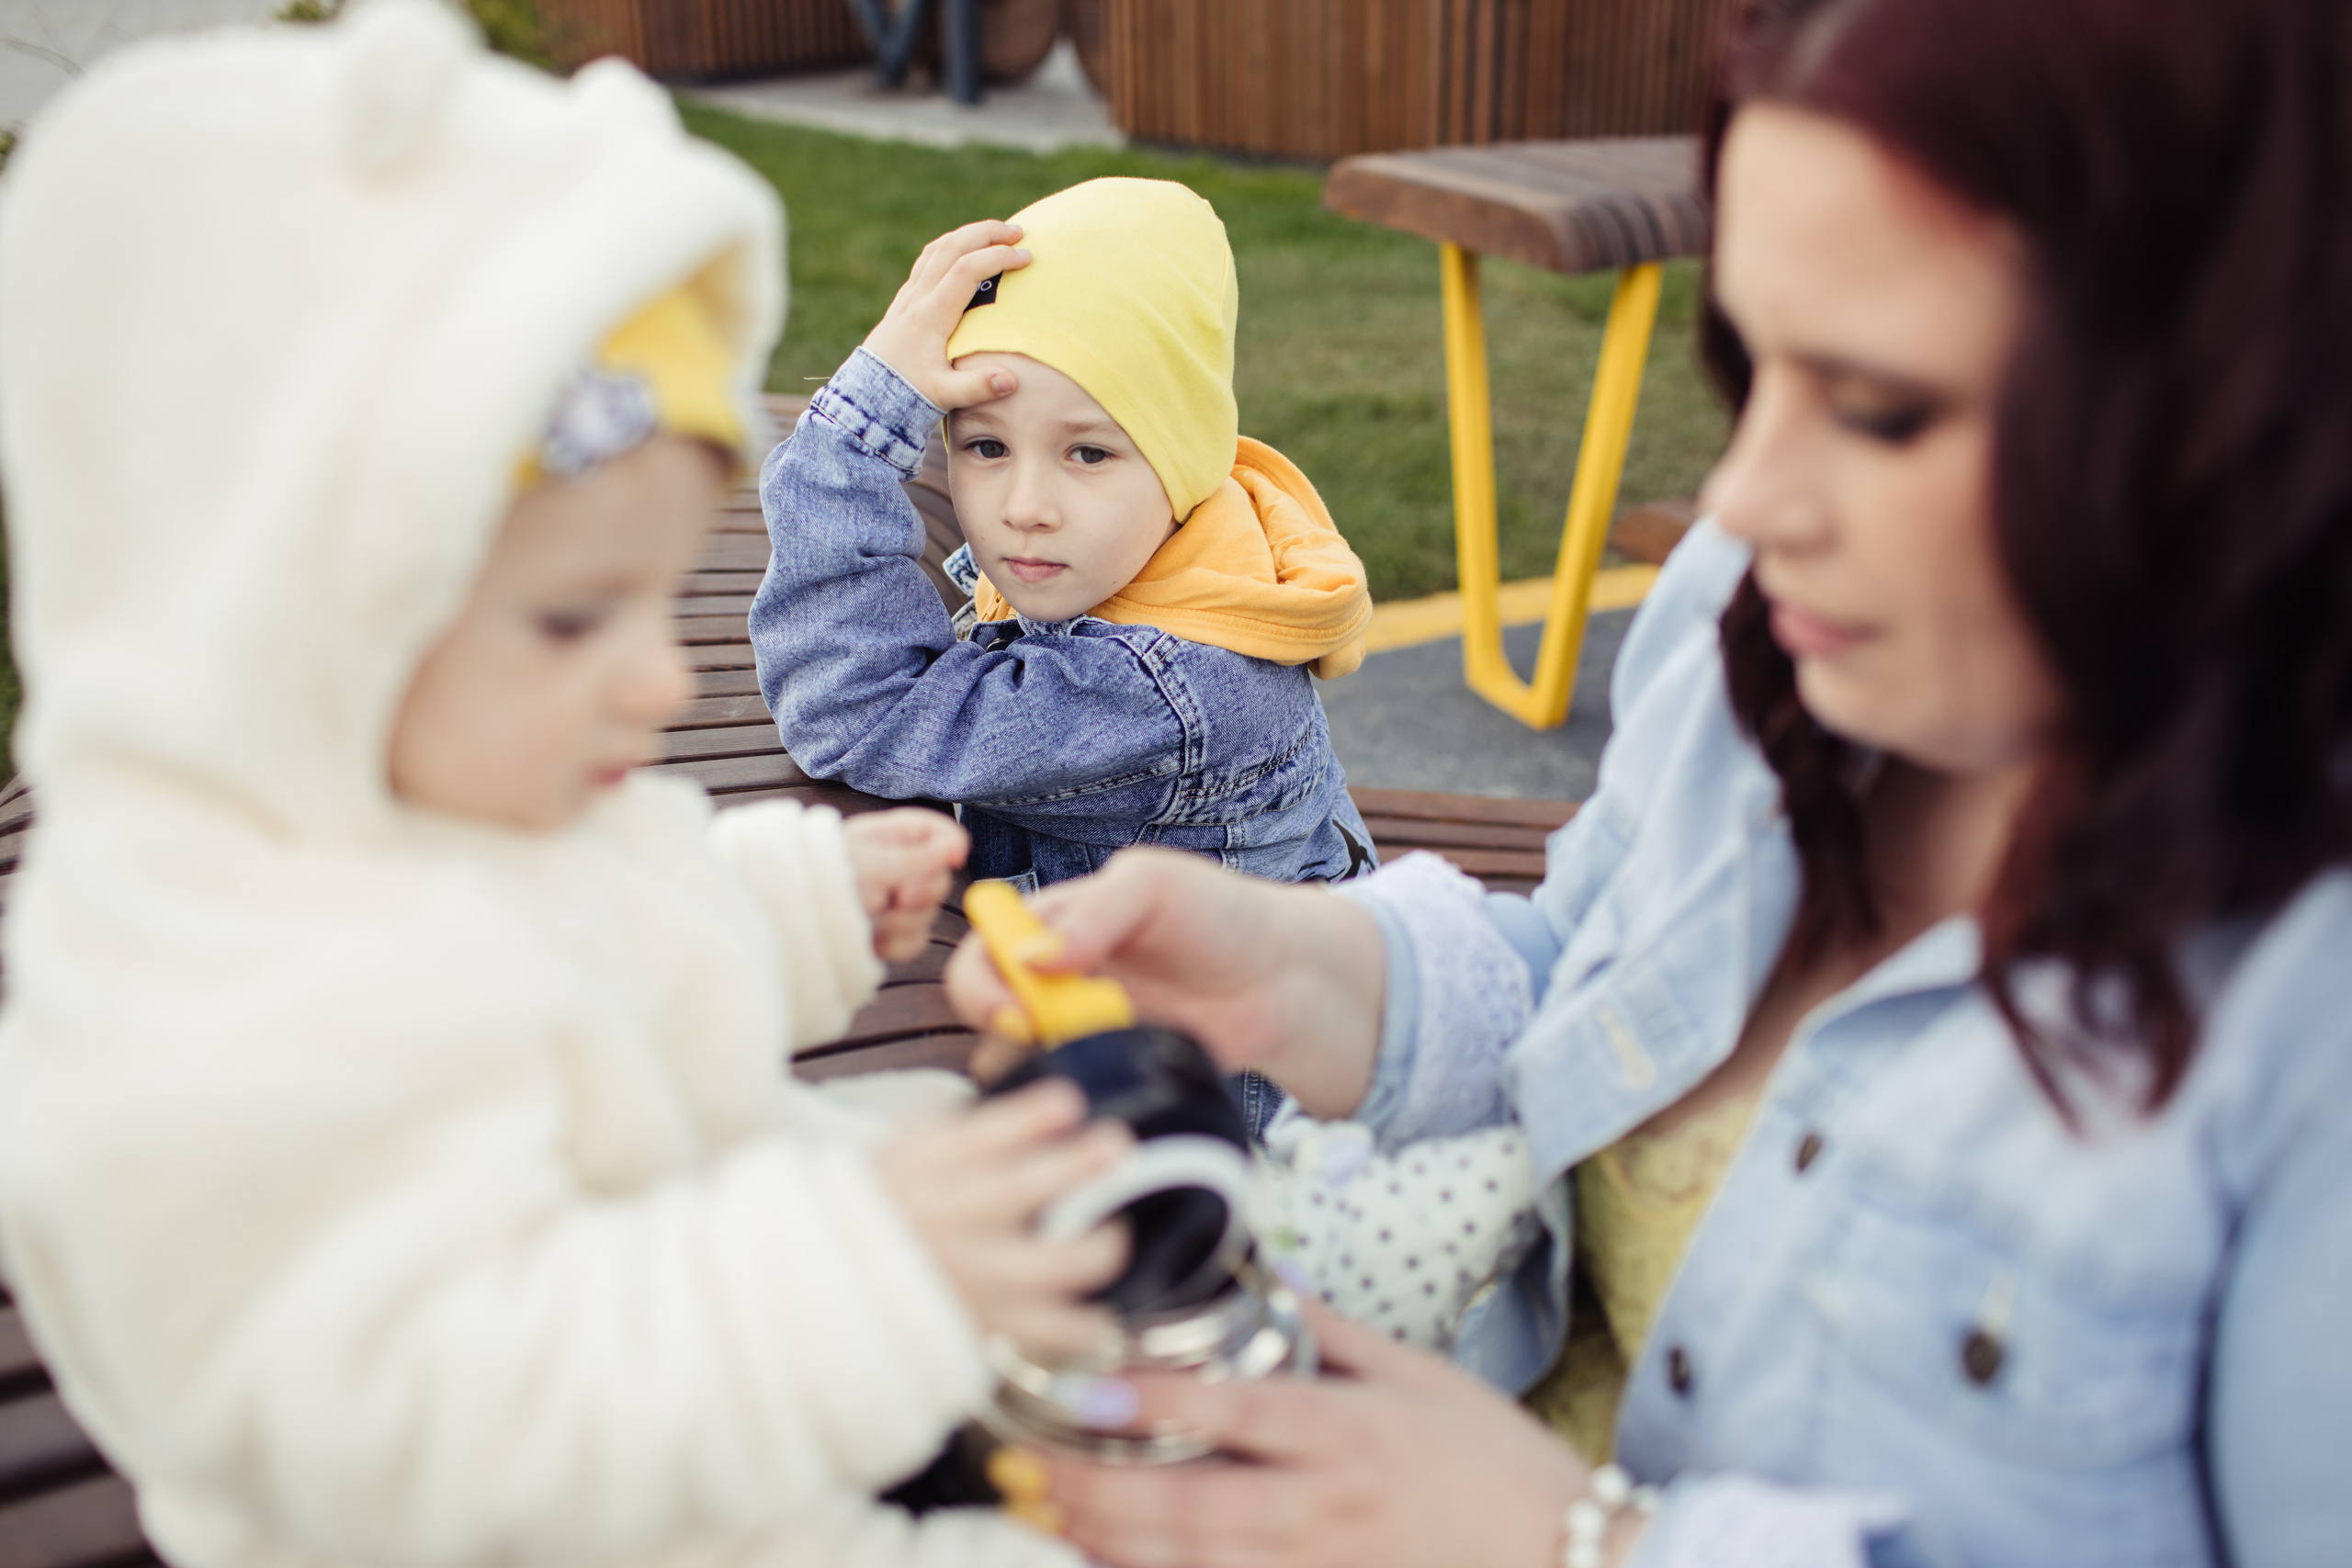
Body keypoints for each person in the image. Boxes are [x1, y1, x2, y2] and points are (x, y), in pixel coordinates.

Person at [942, 0, 2352, 1562]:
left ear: (2230, 402)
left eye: (1880, 408)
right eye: (1749, 370)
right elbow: (1598, 957)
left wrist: (1579, 1541)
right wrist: (1298, 968)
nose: (1744, 493)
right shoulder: (1761, 612)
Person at [0, 6, 1123, 1566]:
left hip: (697, 1361)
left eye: (655, 601)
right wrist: (863, 1274)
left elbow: (597, 947)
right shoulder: (207, 1017)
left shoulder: (450, 797)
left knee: (989, 1185)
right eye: (573, 618)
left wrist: (795, 901)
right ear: (278, 613)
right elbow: (433, 1419)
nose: (660, 680)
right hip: (542, 1516)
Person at [750, 178, 1379, 902]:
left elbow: (852, 710)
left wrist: (858, 426)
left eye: (1087, 453)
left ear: (1185, 460)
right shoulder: (1182, 548)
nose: (1025, 509)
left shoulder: (1164, 688)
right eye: (987, 446)